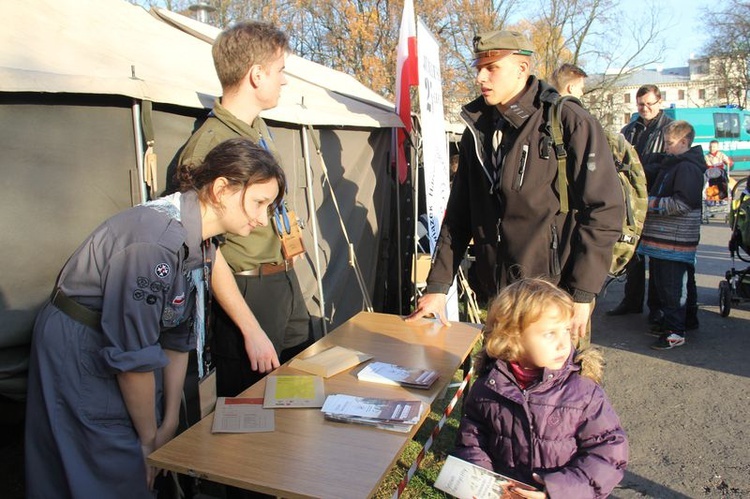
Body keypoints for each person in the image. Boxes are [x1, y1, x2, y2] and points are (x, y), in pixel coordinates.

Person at [25, 138, 285, 498]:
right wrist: (150, 441)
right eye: (259, 203)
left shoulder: (201, 243)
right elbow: (133, 358)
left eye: (270, 206)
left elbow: (177, 334)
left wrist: (169, 422)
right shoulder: (156, 243)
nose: (262, 219)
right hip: (83, 345)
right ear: (223, 189)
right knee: (112, 459)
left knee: (135, 449)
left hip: (123, 347)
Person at [406, 30, 624, 348]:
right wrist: (438, 286)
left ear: (522, 69)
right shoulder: (477, 131)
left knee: (556, 395)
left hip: (555, 296)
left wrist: (583, 291)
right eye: (478, 66)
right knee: (498, 389)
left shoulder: (567, 121)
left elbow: (604, 208)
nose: (481, 76)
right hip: (500, 299)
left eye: (492, 67)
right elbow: (459, 214)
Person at [168, 21, 312, 400]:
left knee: (297, 389)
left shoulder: (257, 129)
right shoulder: (210, 147)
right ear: (256, 74)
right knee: (252, 405)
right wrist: (250, 329)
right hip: (246, 289)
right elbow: (203, 247)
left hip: (281, 276)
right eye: (280, 71)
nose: (284, 81)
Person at [453, 278, 629, 498]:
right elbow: (472, 441)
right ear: (512, 339)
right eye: (550, 334)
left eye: (566, 330)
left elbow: (608, 453)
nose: (564, 343)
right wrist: (486, 484)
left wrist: (557, 491)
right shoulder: (487, 388)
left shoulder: (582, 392)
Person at [608, 84, 673, 319]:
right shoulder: (630, 128)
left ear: (659, 103)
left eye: (649, 104)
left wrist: (639, 171)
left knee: (657, 257)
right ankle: (631, 300)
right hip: (632, 199)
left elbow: (669, 163)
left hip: (656, 196)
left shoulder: (669, 129)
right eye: (640, 104)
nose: (644, 108)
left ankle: (658, 307)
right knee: (632, 250)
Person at [638, 121, 704, 349]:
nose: (665, 148)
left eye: (669, 143)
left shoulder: (686, 168)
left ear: (684, 142)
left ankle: (675, 331)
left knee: (672, 287)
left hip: (673, 240)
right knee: (676, 283)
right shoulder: (678, 164)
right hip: (668, 240)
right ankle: (685, 321)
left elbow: (682, 204)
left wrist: (646, 204)